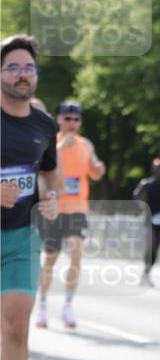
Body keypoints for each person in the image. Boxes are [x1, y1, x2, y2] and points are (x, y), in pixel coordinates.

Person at [1, 35, 59, 360]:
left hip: (22, 236)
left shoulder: (44, 125)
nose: (23, 74)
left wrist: (51, 198)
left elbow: (48, 173)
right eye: (13, 67)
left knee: (17, 326)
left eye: (29, 68)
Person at [35, 101, 105, 329]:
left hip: (78, 209)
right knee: (51, 258)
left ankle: (67, 305)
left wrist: (98, 167)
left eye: (76, 119)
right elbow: (42, 170)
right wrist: (61, 147)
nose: (72, 124)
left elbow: (94, 171)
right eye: (67, 119)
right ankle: (43, 303)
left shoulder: (86, 144)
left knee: (76, 253)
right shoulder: (50, 142)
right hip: (55, 209)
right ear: (59, 119)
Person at [133, 158, 160, 285]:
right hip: (149, 218)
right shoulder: (146, 183)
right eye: (157, 169)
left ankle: (147, 272)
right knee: (150, 245)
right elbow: (135, 194)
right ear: (153, 169)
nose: (159, 171)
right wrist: (141, 204)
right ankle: (145, 271)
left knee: (156, 249)